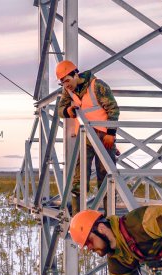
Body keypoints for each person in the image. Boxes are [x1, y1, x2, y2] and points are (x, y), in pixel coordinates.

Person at [55, 60, 120, 213]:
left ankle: (110, 218)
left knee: (106, 177)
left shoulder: (97, 85)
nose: (66, 85)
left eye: (67, 80)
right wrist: (68, 110)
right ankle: (78, 216)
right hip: (84, 137)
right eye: (62, 83)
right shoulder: (68, 90)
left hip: (104, 137)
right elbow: (60, 110)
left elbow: (113, 109)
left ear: (75, 74)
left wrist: (111, 134)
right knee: (80, 178)